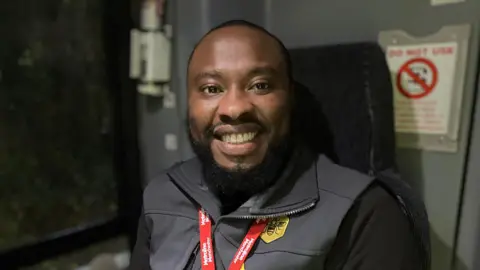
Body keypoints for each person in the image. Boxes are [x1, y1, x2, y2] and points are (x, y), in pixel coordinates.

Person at [129, 19, 421, 270]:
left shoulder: (366, 215)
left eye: (260, 85)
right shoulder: (162, 194)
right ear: (189, 105)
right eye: (211, 89)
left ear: (290, 99)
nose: (234, 108)